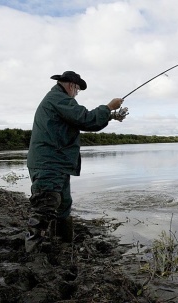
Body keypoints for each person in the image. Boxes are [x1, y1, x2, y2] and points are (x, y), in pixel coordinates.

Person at [26, 71, 126, 252]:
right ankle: (33, 254)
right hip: (48, 163)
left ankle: (63, 245)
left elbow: (80, 120)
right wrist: (109, 107)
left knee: (63, 206)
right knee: (45, 206)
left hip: (57, 163)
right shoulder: (58, 98)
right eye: (78, 89)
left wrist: (110, 116)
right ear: (72, 85)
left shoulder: (59, 100)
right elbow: (86, 119)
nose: (77, 93)